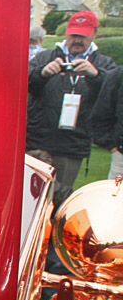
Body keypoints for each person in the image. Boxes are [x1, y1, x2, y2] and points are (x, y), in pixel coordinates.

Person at [27, 10, 116, 189]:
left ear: (94, 34)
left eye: (83, 36)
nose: (77, 40)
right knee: (30, 195)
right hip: (38, 141)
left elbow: (112, 98)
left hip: (72, 144)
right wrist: (42, 74)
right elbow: (23, 85)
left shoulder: (104, 63)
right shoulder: (44, 57)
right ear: (67, 33)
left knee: (60, 197)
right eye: (74, 35)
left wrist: (96, 75)